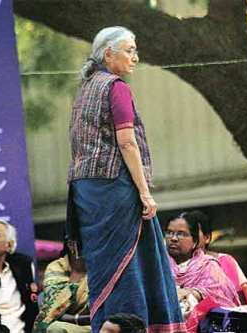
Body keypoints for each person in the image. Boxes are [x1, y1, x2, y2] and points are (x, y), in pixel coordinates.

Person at [67, 26, 184, 333]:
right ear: (108, 54)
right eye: (129, 50)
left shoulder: (86, 89)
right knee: (132, 261)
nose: (135, 56)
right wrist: (145, 193)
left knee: (105, 268)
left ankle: (105, 326)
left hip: (86, 193)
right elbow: (127, 142)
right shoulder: (115, 87)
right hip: (114, 188)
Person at [165, 213, 241, 332]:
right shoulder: (158, 266)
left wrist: (195, 293)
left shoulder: (208, 266)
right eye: (169, 233)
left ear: (195, 241)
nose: (173, 238)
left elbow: (221, 297)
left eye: (181, 234)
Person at [191, 210, 247, 305]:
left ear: (207, 238)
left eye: (193, 233)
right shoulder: (175, 266)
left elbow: (240, 303)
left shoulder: (224, 261)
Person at [33, 240, 90, 333]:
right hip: (61, 323)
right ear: (71, 245)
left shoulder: (103, 268)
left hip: (96, 325)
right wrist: (76, 318)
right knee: (55, 328)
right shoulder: (56, 267)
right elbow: (51, 308)